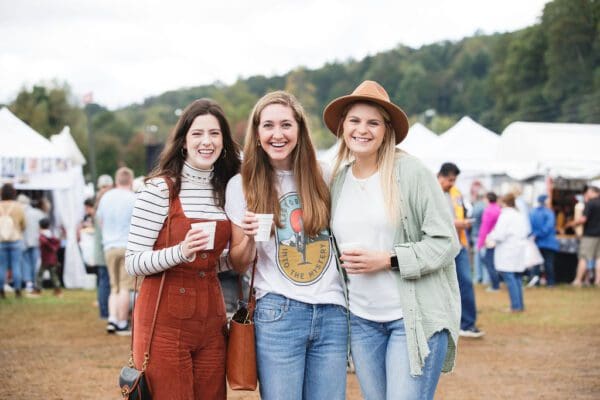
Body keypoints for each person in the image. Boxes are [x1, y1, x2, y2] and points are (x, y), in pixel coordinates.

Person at [324, 80, 461, 400]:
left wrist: (388, 259)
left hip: (411, 320)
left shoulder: (411, 173)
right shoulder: (338, 180)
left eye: (373, 122)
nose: (363, 130)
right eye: (355, 121)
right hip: (361, 322)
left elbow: (445, 242)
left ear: (386, 130)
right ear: (343, 126)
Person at [225, 91, 348, 400]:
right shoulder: (242, 184)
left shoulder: (325, 175)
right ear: (257, 133)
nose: (277, 134)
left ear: (299, 130)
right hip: (278, 312)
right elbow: (239, 263)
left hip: (332, 311)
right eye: (268, 126)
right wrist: (251, 237)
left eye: (286, 125)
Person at [125, 98, 241, 399]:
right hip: (163, 321)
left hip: (213, 321)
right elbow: (133, 262)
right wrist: (181, 251)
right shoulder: (159, 189)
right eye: (198, 134)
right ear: (183, 142)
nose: (207, 141)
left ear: (224, 141)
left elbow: (213, 264)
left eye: (214, 134)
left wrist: (246, 247)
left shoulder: (225, 190)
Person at [438, 162, 485, 338]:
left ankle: (467, 324)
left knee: (465, 282)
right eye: (450, 180)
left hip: (459, 245)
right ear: (441, 176)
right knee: (440, 287)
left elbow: (459, 214)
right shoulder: (430, 190)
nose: (452, 183)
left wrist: (462, 223)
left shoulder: (456, 193)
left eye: (454, 180)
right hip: (439, 247)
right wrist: (456, 224)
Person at [96, 167, 137, 335]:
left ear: (116, 180)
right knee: (125, 287)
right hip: (128, 245)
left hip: (109, 245)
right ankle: (121, 322)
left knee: (114, 287)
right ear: (131, 181)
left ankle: (112, 318)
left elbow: (100, 221)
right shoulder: (134, 198)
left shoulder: (106, 197)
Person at [487, 193, 529, 312]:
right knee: (517, 278)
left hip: (508, 250)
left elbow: (500, 234)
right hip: (518, 249)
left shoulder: (505, 215)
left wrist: (490, 236)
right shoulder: (519, 214)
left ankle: (515, 306)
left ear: (503, 202)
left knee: (510, 278)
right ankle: (519, 305)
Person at [568, 186, 600, 286]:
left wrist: (572, 224)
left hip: (590, 235)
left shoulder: (590, 203)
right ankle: (598, 281)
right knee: (599, 258)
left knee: (584, 257)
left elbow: (583, 219)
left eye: (587, 192)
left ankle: (578, 280)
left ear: (592, 192)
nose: (586, 194)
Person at [0, 183, 26, 299]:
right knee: (16, 265)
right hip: (15, 239)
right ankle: (17, 290)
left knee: (2, 266)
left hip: (1, 240)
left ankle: (1, 290)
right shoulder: (18, 207)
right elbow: (24, 224)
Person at [529, 194, 559, 287]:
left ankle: (535, 282)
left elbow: (529, 226)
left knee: (536, 263)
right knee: (548, 263)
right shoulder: (549, 212)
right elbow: (549, 226)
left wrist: (535, 235)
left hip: (536, 242)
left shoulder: (532, 212)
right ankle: (550, 282)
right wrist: (540, 234)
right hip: (548, 242)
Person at [18, 195, 46, 293]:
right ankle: (36, 283)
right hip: (36, 241)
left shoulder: (19, 212)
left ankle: (29, 283)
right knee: (36, 263)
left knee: (26, 263)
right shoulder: (38, 213)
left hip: (23, 241)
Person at [477, 192, 502, 291]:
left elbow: (484, 228)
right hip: (497, 239)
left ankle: (495, 285)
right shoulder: (499, 209)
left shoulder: (488, 210)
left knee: (489, 263)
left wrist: (480, 243)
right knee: (493, 262)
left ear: (487, 199)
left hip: (489, 240)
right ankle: (496, 283)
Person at [33, 218, 62, 297]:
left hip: (45, 259)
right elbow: (57, 242)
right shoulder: (51, 235)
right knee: (53, 275)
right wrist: (54, 248)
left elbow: (45, 243)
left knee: (40, 274)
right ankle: (57, 289)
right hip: (53, 258)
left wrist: (51, 247)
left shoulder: (42, 236)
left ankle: (38, 289)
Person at [469, 184, 489, 284]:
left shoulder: (476, 206)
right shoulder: (485, 207)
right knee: (484, 258)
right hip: (483, 235)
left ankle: (478, 277)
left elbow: (472, 220)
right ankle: (485, 279)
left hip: (476, 234)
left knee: (477, 258)